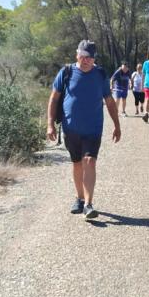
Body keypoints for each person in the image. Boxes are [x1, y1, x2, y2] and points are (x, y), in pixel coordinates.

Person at [47, 40, 121, 219]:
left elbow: (109, 101)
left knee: (89, 161)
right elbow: (54, 99)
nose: (86, 60)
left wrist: (117, 125)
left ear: (94, 59)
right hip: (70, 128)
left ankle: (88, 204)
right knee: (77, 163)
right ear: (77, 54)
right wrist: (50, 124)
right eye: (83, 56)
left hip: (93, 128)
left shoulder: (100, 74)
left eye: (90, 57)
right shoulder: (66, 72)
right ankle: (79, 198)